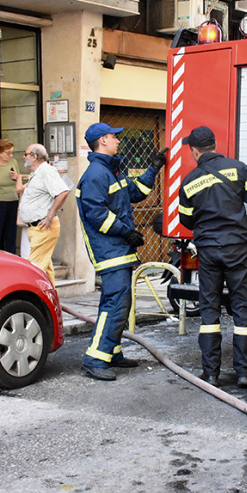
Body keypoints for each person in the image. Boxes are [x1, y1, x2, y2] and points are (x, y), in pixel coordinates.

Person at [178, 126, 247, 389]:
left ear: (195, 151)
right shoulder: (239, 169)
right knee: (242, 308)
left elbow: (186, 219)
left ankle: (211, 374)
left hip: (207, 250)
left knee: (209, 310)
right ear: (214, 145)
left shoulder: (189, 181)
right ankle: (244, 374)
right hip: (238, 248)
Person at [76, 122, 167, 381]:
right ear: (103, 141)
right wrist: (125, 232)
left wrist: (154, 167)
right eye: (114, 137)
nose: (118, 140)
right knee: (115, 302)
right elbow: (97, 215)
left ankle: (111, 352)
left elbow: (136, 193)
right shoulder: (96, 174)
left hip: (118, 249)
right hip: (110, 251)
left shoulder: (110, 171)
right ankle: (95, 359)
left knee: (120, 302)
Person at [16, 143, 70, 285]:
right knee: (45, 269)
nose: (24, 157)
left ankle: (36, 301)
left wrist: (49, 216)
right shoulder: (36, 173)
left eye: (26, 154)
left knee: (34, 270)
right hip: (35, 227)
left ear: (34, 157)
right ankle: (51, 300)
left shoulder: (46, 171)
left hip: (43, 226)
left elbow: (63, 192)